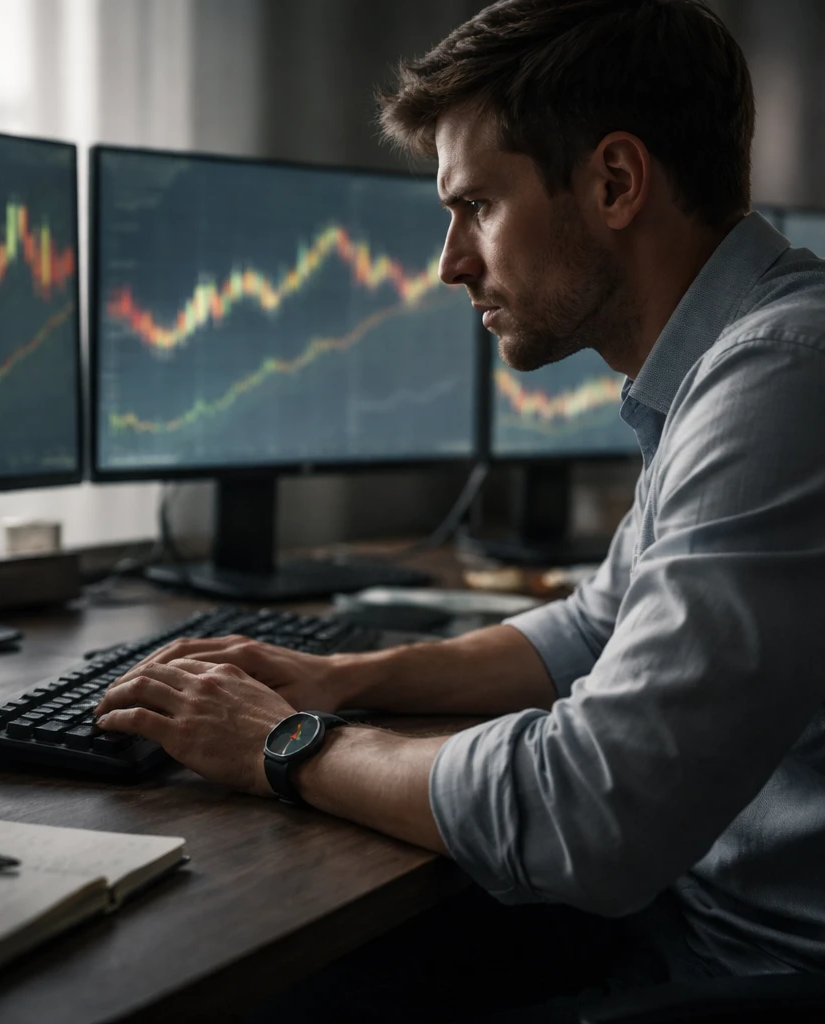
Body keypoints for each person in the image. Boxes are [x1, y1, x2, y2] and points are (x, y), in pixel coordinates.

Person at [94, 0, 825, 1017]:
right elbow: (592, 626)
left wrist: (288, 742)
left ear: (615, 182)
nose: (451, 262)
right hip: (697, 914)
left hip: (763, 964)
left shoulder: (784, 379)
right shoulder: (738, 360)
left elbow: (591, 814)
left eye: (476, 205)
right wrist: (345, 675)